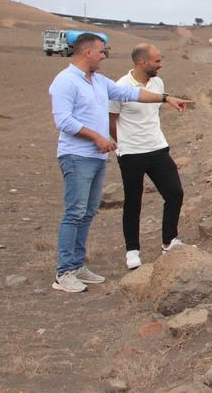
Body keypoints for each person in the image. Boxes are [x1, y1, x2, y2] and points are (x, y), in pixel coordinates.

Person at [48, 33, 189, 293]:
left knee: (87, 213)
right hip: (77, 155)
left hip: (96, 156)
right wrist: (98, 137)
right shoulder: (65, 81)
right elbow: (63, 121)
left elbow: (131, 93)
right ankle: (64, 272)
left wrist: (165, 98)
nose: (104, 55)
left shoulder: (99, 81)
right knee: (74, 213)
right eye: (101, 51)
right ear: (87, 52)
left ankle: (78, 266)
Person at [108, 43, 187, 271]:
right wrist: (123, 142)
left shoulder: (158, 83)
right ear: (143, 63)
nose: (160, 64)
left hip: (158, 148)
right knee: (133, 202)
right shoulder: (120, 87)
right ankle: (132, 250)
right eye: (157, 61)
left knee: (174, 193)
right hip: (131, 153)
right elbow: (111, 120)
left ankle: (169, 241)